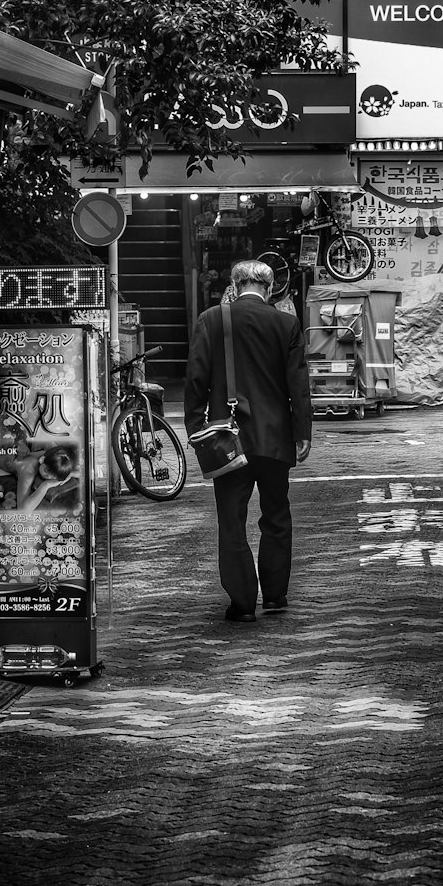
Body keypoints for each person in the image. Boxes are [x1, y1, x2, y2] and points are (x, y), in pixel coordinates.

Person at [184, 258, 312, 623]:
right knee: (276, 515)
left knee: (231, 519)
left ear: (235, 285)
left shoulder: (212, 319)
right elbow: (298, 386)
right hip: (275, 438)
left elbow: (195, 378)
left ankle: (241, 602)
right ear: (271, 289)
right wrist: (302, 433)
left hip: (227, 439)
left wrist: (196, 428)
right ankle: (275, 596)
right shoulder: (286, 323)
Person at [0, 441, 81, 513]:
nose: (48, 476)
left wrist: (69, 474)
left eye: (53, 477)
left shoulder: (49, 456)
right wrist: (46, 485)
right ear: (42, 460)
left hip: (11, 449)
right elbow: (23, 509)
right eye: (47, 471)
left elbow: (80, 471)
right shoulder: (28, 471)